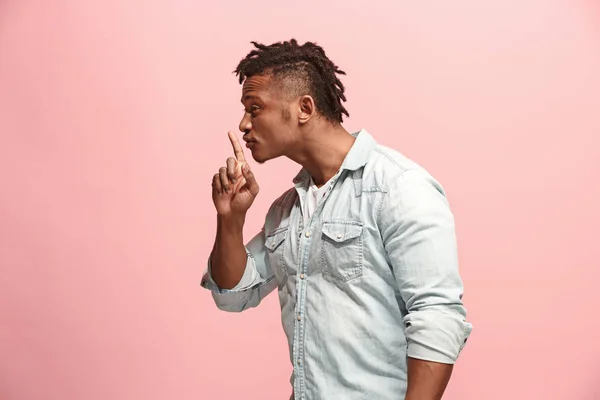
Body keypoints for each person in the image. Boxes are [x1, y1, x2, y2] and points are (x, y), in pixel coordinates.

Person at [201, 39, 472, 400]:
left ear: (304, 107)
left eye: (255, 108)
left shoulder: (397, 186)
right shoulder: (286, 210)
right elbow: (234, 294)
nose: (243, 124)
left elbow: (437, 318)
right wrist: (231, 219)